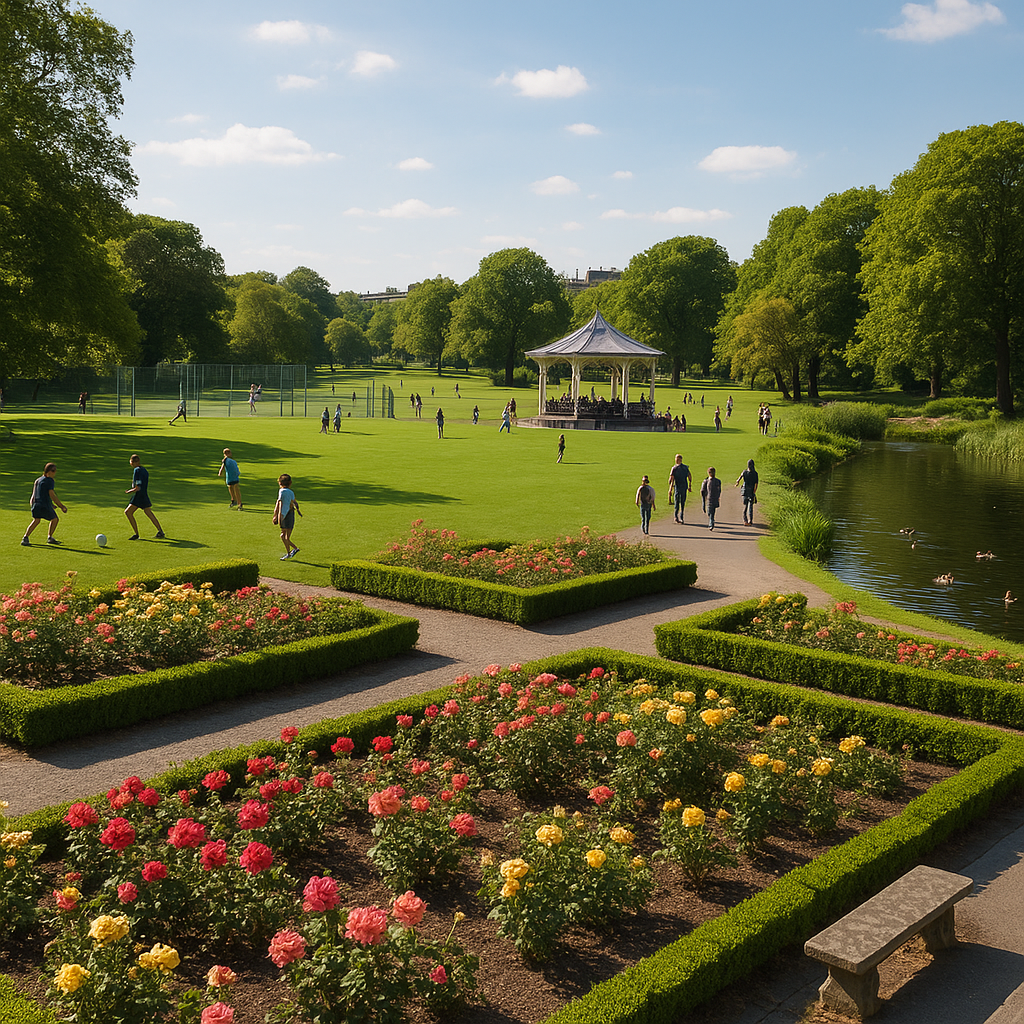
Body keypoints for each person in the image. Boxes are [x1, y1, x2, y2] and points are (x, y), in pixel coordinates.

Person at [22, 462, 67, 546]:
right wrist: (61, 506)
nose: (54, 473)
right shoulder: (49, 480)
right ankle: (50, 537)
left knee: (36, 520)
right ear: (48, 471)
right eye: (53, 471)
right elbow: (52, 494)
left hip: (36, 504)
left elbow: (35, 494)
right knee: (55, 519)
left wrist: (32, 504)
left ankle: (25, 538)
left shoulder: (38, 480)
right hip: (44, 505)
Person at [124, 454, 165, 540]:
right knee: (149, 513)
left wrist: (130, 491)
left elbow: (138, 487)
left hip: (139, 496)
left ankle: (136, 534)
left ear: (134, 462)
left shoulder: (137, 470)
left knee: (128, 512)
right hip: (144, 495)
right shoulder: (145, 470)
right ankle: (160, 531)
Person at [272, 473, 302, 560]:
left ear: (280, 483)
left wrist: (276, 515)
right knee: (284, 536)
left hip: (284, 514)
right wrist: (298, 510)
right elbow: (294, 502)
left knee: (284, 536)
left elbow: (279, 502)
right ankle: (289, 553)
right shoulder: (291, 492)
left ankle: (295, 549)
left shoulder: (281, 491)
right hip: (291, 513)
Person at [668, 455, 692, 524]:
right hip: (682, 486)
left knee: (678, 502)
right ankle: (679, 517)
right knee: (680, 502)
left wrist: (670, 488)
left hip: (680, 487)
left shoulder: (675, 468)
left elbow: (671, 479)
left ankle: (678, 516)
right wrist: (690, 485)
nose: (676, 460)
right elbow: (689, 476)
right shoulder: (685, 467)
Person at [736, 458, 759, 525]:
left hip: (745, 490)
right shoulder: (755, 474)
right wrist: (754, 491)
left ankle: (745, 520)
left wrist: (737, 482)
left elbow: (739, 478)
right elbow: (756, 484)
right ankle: (750, 520)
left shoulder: (744, 472)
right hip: (751, 490)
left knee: (745, 506)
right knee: (750, 506)